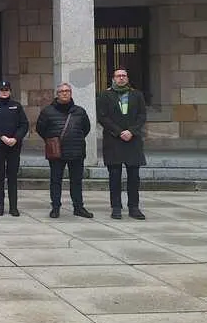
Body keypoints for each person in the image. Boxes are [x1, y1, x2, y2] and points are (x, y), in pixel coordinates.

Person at [36, 83, 93, 219]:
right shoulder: (47, 111)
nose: (65, 93)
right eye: (61, 91)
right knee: (56, 180)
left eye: (67, 91)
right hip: (56, 152)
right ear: (57, 94)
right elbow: (40, 129)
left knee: (76, 181)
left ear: (71, 93)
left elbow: (86, 128)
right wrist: (51, 140)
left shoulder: (79, 111)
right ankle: (55, 208)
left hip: (76, 151)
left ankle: (78, 207)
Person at [97, 68, 147, 220]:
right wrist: (119, 132)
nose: (121, 78)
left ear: (127, 78)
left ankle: (134, 207)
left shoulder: (136, 95)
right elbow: (103, 117)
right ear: (113, 78)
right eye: (118, 76)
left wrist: (131, 131)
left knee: (133, 176)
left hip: (133, 140)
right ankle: (116, 207)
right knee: (114, 176)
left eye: (123, 76)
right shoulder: (105, 95)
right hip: (114, 141)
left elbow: (142, 115)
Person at [0, 80, 29, 217]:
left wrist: (16, 138)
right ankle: (0, 206)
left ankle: (13, 207)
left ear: (10, 91)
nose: (4, 92)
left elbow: (24, 124)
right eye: (2, 90)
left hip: (14, 145)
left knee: (12, 176)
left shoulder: (16, 106)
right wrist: (2, 137)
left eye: (6, 90)